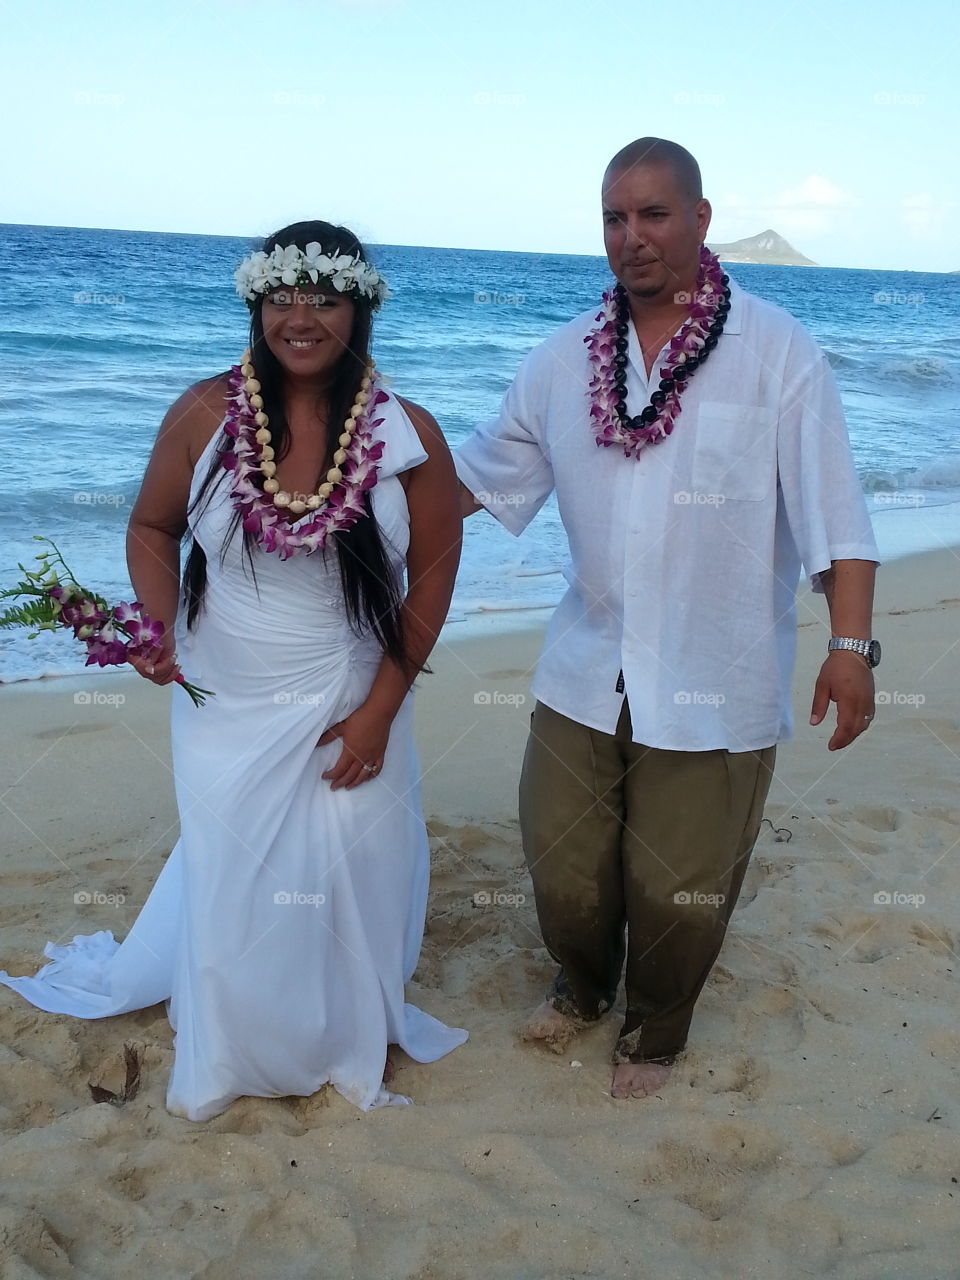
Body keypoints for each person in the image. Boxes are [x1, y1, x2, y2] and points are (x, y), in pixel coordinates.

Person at [0, 220, 468, 1120]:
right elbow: (150, 528)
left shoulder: (409, 436)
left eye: (323, 297)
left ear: (358, 310)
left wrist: (378, 711)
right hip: (227, 697)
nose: (301, 317)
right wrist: (157, 623)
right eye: (282, 296)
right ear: (256, 303)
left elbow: (435, 578)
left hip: (356, 692)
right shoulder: (205, 414)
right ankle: (239, 1042)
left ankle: (339, 1033)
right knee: (239, 872)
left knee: (352, 874)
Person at [455, 138, 880, 1100]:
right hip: (583, 667)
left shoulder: (780, 352)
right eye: (614, 217)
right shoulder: (564, 359)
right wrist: (340, 500)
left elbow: (835, 515)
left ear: (700, 218)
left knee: (679, 889)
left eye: (653, 214)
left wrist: (850, 649)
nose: (631, 237)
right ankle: (585, 981)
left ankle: (654, 1027)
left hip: (713, 677)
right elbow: (477, 481)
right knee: (562, 868)